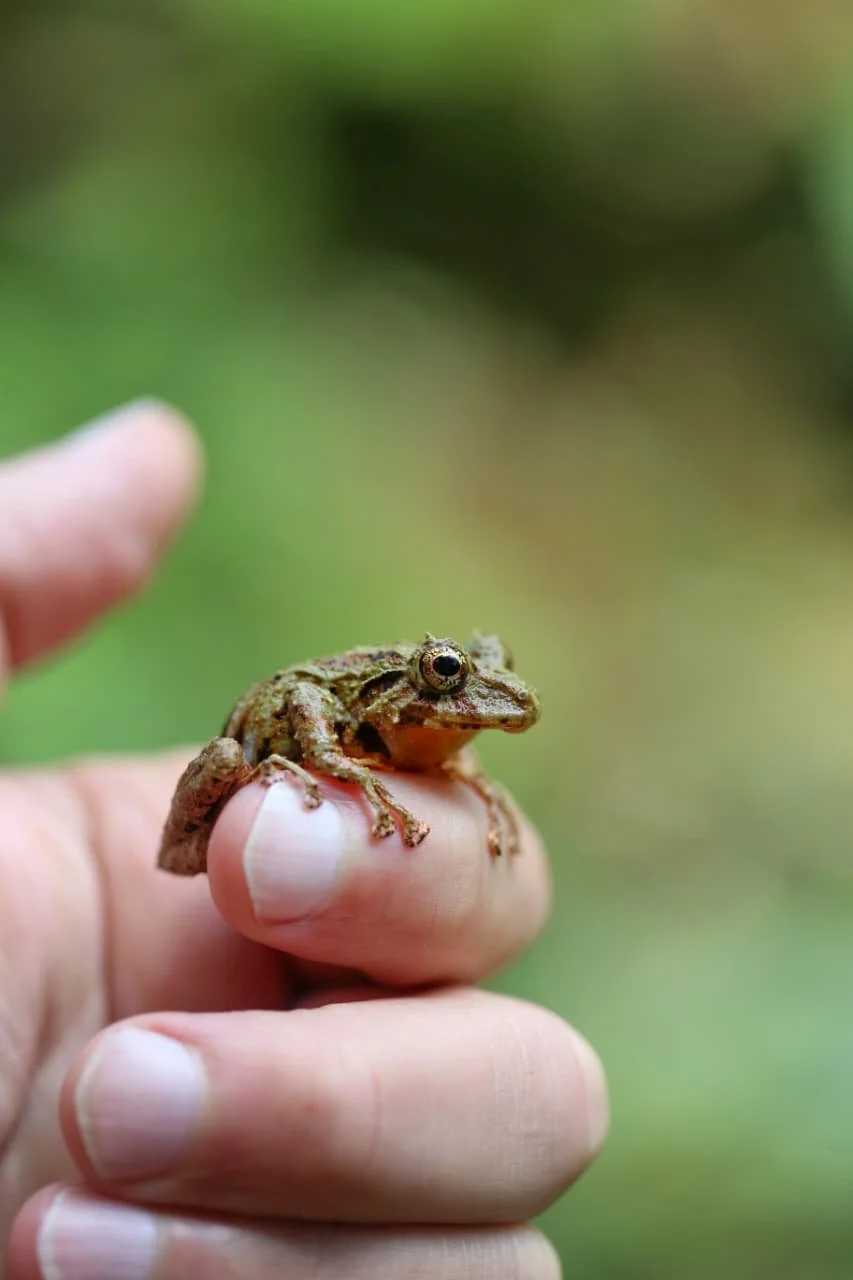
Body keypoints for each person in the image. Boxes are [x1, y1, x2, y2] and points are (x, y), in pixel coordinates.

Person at [1, 400, 608, 1279]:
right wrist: (331, 765)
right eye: (446, 676)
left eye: (474, 670)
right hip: (253, 753)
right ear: (414, 682)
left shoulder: (426, 742)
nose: (469, 694)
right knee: (229, 760)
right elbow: (296, 699)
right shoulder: (352, 704)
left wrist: (456, 781)